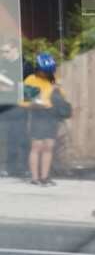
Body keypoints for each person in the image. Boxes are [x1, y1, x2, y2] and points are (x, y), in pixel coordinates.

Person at [22, 52, 62, 186]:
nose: (48, 74)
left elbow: (59, 98)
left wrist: (56, 91)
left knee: (49, 146)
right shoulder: (31, 80)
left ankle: (45, 177)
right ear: (38, 69)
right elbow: (24, 102)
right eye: (46, 71)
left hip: (51, 116)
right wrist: (37, 102)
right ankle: (35, 178)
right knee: (37, 146)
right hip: (37, 115)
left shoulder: (52, 79)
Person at [0, 39, 26, 177]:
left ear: (15, 49)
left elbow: (25, 88)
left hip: (17, 107)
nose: (4, 54)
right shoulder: (2, 64)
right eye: (2, 51)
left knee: (18, 138)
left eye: (6, 51)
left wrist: (10, 87)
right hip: (3, 107)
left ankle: (20, 168)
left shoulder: (23, 64)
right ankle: (7, 168)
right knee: (3, 138)